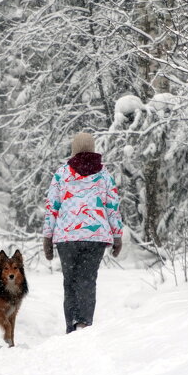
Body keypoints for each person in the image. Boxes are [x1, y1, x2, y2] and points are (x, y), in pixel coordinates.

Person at [42, 131, 123, 333]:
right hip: (95, 238)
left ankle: (71, 327)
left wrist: (47, 236)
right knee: (87, 280)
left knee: (70, 281)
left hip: (67, 238)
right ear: (93, 149)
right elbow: (112, 207)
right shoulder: (104, 175)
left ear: (74, 149)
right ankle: (84, 323)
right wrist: (117, 235)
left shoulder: (62, 173)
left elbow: (52, 206)